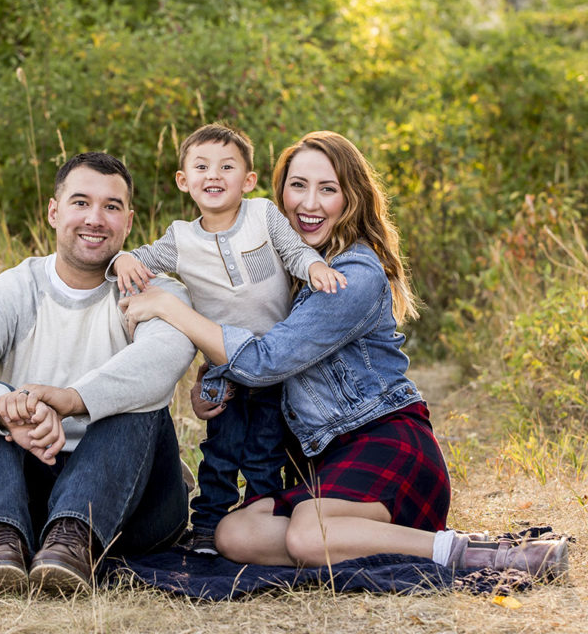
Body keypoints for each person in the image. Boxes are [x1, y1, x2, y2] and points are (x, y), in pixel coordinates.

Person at [119, 131, 568, 579]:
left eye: (328, 189)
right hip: (327, 462)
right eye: (298, 186)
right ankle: (363, 542)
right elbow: (246, 345)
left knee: (306, 536)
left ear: (351, 198)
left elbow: (265, 361)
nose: (309, 204)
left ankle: (475, 552)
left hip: (384, 442)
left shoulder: (350, 274)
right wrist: (218, 382)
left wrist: (167, 307)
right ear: (278, 195)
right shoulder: (284, 264)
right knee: (235, 535)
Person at [0, 152, 197, 596]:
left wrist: (69, 399)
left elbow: (164, 357)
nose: (95, 218)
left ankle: (74, 541)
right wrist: (4, 409)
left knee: (138, 396)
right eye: (80, 202)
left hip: (136, 506)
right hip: (30, 495)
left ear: (128, 222)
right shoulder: (11, 289)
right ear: (54, 212)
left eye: (111, 207)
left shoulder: (157, 291)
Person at [110, 123, 345, 554]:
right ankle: (208, 526)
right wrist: (124, 257)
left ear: (248, 180)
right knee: (220, 451)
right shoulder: (180, 238)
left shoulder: (263, 215)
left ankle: (261, 519)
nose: (213, 175)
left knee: (264, 450)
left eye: (226, 166)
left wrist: (314, 268)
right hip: (225, 366)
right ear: (184, 181)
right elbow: (139, 259)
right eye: (201, 167)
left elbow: (294, 252)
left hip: (277, 363)